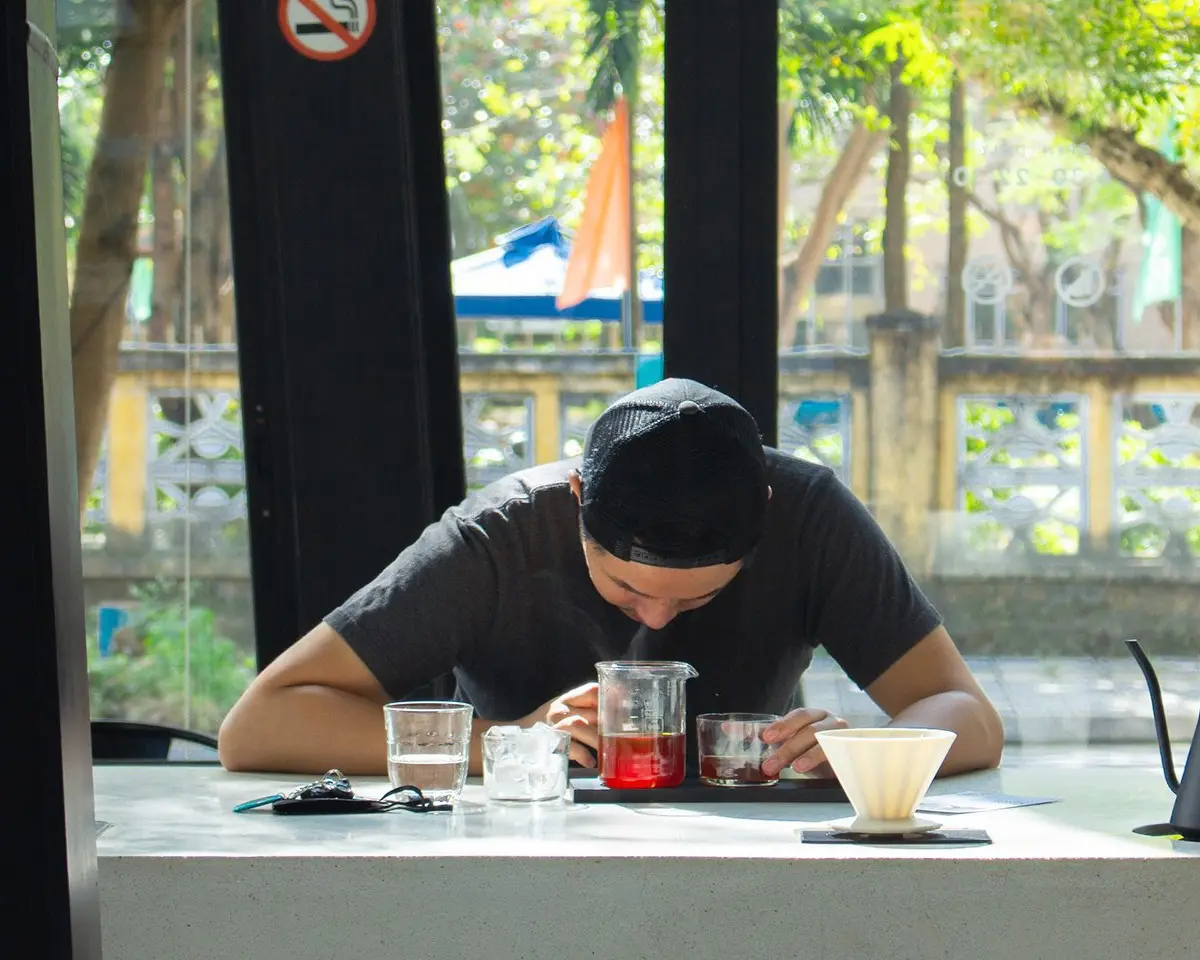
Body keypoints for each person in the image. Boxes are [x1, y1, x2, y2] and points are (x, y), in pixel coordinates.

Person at [218, 378, 1004, 778]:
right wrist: (508, 744)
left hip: (739, 852)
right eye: (626, 590)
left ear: (767, 512)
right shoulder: (500, 536)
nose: (656, 624)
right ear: (576, 501)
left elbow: (965, 712)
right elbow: (261, 725)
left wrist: (872, 755)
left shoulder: (812, 514)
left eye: (698, 597)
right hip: (518, 856)